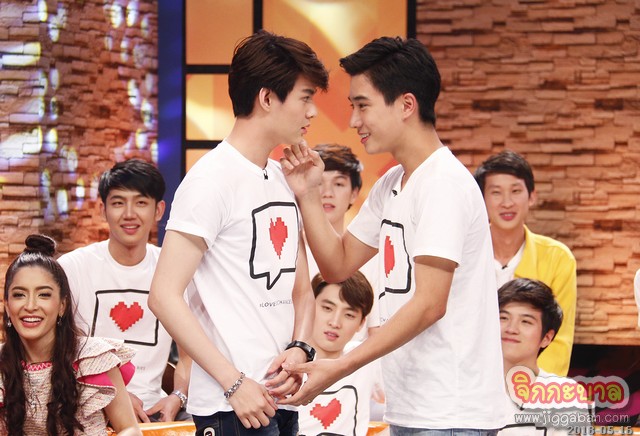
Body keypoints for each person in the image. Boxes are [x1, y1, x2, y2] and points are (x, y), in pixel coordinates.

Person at [279, 36, 508, 433]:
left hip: (452, 412)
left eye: (362, 105)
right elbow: (337, 266)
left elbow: (430, 304)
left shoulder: (443, 184)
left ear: (406, 105)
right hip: (413, 407)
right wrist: (308, 195)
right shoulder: (392, 183)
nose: (354, 121)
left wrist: (341, 365)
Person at [148, 30, 329, 435]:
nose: (313, 111)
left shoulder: (284, 178)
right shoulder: (210, 180)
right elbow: (163, 295)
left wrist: (300, 348)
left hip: (280, 397)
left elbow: (301, 291)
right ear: (267, 98)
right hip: (231, 405)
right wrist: (233, 383)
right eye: (305, 97)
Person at [57, 159, 191, 422]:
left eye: (140, 203)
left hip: (152, 414)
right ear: (103, 209)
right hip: (87, 410)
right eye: (118, 203)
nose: (129, 214)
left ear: (158, 210)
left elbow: (189, 355)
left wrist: (178, 396)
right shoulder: (72, 268)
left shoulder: (174, 269)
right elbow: (57, 349)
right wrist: (114, 395)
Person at [0, 234, 141, 435]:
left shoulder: (93, 359)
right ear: (7, 306)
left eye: (44, 295)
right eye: (19, 295)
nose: (30, 306)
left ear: (62, 305)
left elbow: (130, 429)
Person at [474, 150, 577, 376]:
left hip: (530, 385)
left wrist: (529, 388)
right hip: (471, 382)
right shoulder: (464, 254)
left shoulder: (558, 258)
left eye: (516, 191)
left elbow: (558, 340)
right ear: (481, 200)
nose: (507, 203)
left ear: (532, 197)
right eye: (496, 192)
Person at [498, 278, 592, 435]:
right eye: (503, 318)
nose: (511, 329)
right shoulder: (468, 387)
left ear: (547, 338)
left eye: (526, 321)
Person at [298, 271, 382, 436]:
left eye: (349, 315)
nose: (335, 322)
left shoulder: (365, 359)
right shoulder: (287, 361)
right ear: (310, 307)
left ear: (361, 323)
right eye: (327, 308)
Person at [309, 143, 380, 339]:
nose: (327, 193)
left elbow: (377, 331)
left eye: (339, 184)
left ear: (354, 193)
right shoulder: (288, 252)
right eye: (318, 183)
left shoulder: (371, 256)